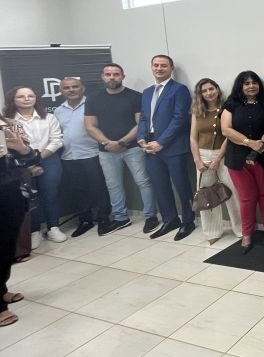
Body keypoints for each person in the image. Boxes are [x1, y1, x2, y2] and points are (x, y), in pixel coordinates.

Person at [85, 63, 158, 233]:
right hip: (106, 151)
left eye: (116, 74)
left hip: (133, 148)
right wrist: (107, 143)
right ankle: (121, 218)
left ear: (123, 76)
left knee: (143, 182)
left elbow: (140, 124)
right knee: (113, 185)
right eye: (108, 74)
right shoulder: (93, 98)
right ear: (103, 76)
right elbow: (90, 126)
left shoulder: (135, 97)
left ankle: (150, 216)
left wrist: (122, 142)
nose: (112, 77)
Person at [53, 78, 121, 236]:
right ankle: (85, 220)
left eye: (75, 86)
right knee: (77, 190)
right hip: (69, 156)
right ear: (61, 91)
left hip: (92, 153)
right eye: (66, 88)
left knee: (99, 188)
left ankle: (103, 218)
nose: (71, 90)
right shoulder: (58, 111)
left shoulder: (93, 105)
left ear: (82, 88)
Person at [137, 55, 194, 240]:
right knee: (160, 186)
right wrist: (141, 138)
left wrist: (161, 142)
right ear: (151, 67)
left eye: (163, 65)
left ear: (171, 68)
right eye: (156, 65)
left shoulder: (179, 89)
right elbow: (144, 118)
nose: (159, 68)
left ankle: (188, 221)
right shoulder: (147, 92)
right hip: (150, 146)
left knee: (182, 186)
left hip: (173, 146)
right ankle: (170, 220)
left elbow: (180, 119)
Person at [220, 72, 264, 252]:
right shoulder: (231, 105)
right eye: (246, 83)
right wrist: (250, 143)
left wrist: (262, 141)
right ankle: (247, 234)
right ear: (240, 86)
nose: (251, 86)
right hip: (237, 160)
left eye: (254, 82)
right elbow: (226, 130)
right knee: (246, 197)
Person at [3, 87, 65, 249]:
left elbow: (57, 140)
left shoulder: (48, 117)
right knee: (30, 197)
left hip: (48, 159)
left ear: (36, 98)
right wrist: (30, 162)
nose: (26, 99)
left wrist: (38, 158)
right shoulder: (8, 121)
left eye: (30, 96)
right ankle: (34, 231)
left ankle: (53, 227)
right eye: (21, 96)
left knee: (50, 194)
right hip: (21, 164)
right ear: (13, 99)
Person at [190, 78, 242, 245]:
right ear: (200, 94)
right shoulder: (197, 111)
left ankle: (240, 229)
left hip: (225, 155)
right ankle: (212, 231)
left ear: (217, 89)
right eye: (204, 91)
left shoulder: (227, 108)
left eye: (211, 89)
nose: (209, 93)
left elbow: (228, 134)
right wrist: (197, 160)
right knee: (207, 194)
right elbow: (193, 138)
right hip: (203, 156)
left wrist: (218, 158)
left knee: (232, 192)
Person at [0, 115, 40, 326]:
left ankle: (2, 289)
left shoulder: (7, 123)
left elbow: (31, 160)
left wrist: (21, 148)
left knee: (8, 246)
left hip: (10, 191)